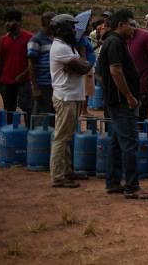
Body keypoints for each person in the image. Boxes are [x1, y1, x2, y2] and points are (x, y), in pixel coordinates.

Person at [98, 9, 148, 199]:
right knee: (130, 143)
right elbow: (115, 71)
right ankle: (132, 187)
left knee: (115, 143)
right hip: (122, 103)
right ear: (120, 24)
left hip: (115, 102)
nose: (133, 28)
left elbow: (101, 72)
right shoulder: (115, 43)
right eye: (130, 24)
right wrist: (129, 96)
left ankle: (113, 182)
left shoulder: (111, 42)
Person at [48, 13, 91, 188]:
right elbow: (83, 68)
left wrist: (80, 62)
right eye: (72, 27)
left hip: (70, 96)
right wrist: (81, 61)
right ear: (64, 29)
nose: (75, 30)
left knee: (66, 136)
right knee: (61, 137)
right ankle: (58, 176)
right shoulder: (61, 48)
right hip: (65, 97)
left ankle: (66, 170)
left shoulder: (66, 46)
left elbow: (82, 66)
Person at [0, 9, 33, 117]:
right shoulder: (3, 40)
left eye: (11, 20)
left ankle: (29, 131)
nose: (7, 23)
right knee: (9, 109)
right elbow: (1, 61)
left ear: (19, 22)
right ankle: (10, 132)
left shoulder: (30, 38)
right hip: (6, 81)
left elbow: (33, 61)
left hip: (24, 81)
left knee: (27, 108)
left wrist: (23, 75)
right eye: (6, 20)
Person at [126, 19, 148, 121]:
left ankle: (142, 134)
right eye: (128, 25)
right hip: (126, 82)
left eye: (132, 25)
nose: (131, 27)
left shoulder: (146, 36)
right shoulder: (122, 37)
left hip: (143, 81)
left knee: (141, 114)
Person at [27, 12, 56, 119]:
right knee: (41, 117)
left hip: (55, 85)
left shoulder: (55, 39)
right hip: (43, 85)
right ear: (48, 23)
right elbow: (31, 65)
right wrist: (35, 87)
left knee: (53, 117)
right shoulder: (36, 40)